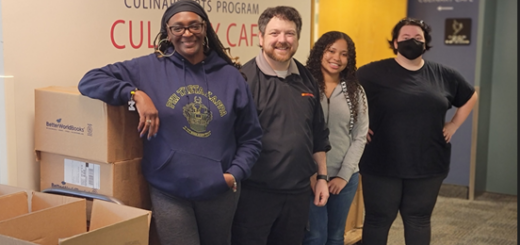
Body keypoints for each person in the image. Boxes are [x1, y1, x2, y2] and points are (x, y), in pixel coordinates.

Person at [77, 1, 263, 244]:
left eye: (193, 26)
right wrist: (135, 94)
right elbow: (89, 80)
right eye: (178, 28)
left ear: (204, 28)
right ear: (167, 31)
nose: (187, 33)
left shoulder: (231, 76)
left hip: (219, 190)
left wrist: (233, 174)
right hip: (169, 190)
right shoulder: (149, 68)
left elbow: (252, 138)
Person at [356, 18, 478, 245]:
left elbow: (471, 96)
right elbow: (343, 95)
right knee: (378, 219)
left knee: (418, 219)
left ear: (426, 43)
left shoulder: (443, 75)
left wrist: (453, 125)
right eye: (405, 38)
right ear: (395, 43)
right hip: (382, 163)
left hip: (428, 163)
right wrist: (357, 127)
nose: (411, 42)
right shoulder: (371, 73)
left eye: (417, 38)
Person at [231, 6, 331, 245]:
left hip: (297, 194)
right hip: (254, 195)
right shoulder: (242, 80)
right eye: (275, 33)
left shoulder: (307, 78)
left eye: (290, 34)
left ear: (297, 38)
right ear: (261, 37)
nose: (282, 40)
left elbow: (318, 133)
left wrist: (322, 178)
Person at [302, 31, 368, 245]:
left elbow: (360, 136)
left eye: (343, 54)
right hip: (309, 177)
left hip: (344, 177)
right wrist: (311, 173)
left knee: (335, 236)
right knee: (314, 236)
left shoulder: (356, 91)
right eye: (331, 51)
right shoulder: (304, 86)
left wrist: (344, 175)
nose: (336, 58)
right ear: (320, 52)